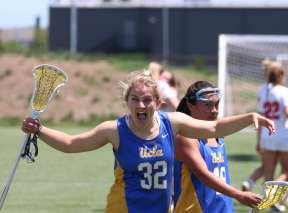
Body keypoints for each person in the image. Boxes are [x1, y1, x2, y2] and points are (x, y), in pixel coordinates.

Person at [21, 70, 275, 213]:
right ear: (127, 101)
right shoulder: (115, 130)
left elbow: (214, 126)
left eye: (147, 100)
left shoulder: (171, 123)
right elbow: (71, 143)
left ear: (158, 103)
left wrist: (250, 117)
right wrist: (39, 130)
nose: (141, 105)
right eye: (135, 99)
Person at [173, 81, 264, 213]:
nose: (214, 110)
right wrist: (239, 194)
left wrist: (252, 117)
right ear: (190, 105)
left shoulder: (218, 136)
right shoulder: (185, 137)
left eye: (217, 104)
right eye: (208, 105)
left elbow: (220, 126)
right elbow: (203, 174)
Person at [242, 59, 288, 211]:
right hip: (283, 135)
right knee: (286, 171)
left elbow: (260, 116)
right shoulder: (284, 91)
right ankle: (271, 199)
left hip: (267, 134)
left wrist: (259, 140)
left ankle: (270, 202)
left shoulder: (263, 90)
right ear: (281, 76)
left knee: (268, 173)